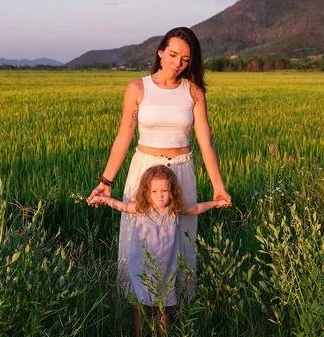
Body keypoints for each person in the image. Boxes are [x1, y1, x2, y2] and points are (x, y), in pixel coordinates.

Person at [86, 26, 231, 297]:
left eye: (186, 59)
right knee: (138, 238)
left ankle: (179, 308)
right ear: (160, 53)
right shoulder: (138, 88)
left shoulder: (194, 92)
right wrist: (106, 182)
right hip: (144, 171)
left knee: (182, 240)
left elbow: (206, 143)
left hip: (181, 171)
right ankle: (135, 304)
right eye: (173, 55)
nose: (178, 63)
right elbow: (122, 138)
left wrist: (218, 186)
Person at [89, 165, 231, 335]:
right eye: (154, 191)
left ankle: (164, 334)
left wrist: (217, 202)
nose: (160, 195)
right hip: (142, 265)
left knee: (163, 305)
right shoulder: (140, 209)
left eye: (164, 190)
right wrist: (102, 199)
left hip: (166, 266)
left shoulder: (173, 210)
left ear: (172, 191)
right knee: (142, 305)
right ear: (146, 192)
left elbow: (195, 209)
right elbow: (120, 205)